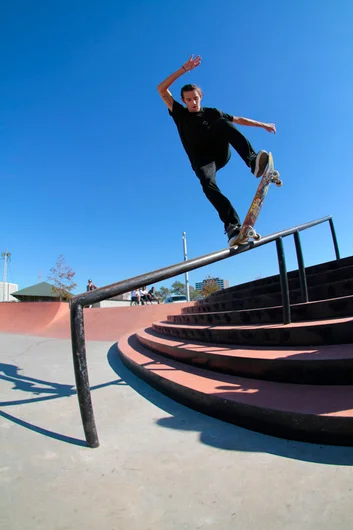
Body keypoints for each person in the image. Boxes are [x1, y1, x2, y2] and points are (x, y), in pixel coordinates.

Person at [157, 55, 277, 246]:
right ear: (183, 100)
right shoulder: (179, 113)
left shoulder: (211, 112)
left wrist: (263, 125)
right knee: (207, 184)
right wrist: (183, 69)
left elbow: (238, 120)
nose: (193, 103)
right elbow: (161, 89)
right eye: (188, 100)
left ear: (200, 97)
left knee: (222, 122)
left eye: (195, 98)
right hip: (202, 161)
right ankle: (232, 226)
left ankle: (253, 162)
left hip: (219, 153)